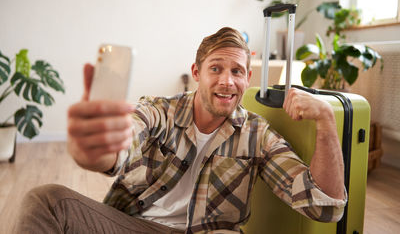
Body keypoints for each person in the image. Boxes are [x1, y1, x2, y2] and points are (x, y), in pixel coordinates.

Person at [14, 27, 346, 233]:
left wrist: (327, 121)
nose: (227, 81)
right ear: (197, 72)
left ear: (247, 78)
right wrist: (97, 149)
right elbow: (125, 141)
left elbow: (325, 207)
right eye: (216, 68)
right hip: (136, 227)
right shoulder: (160, 110)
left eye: (237, 71)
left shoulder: (258, 135)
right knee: (45, 200)